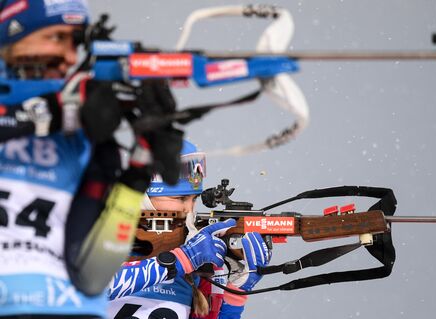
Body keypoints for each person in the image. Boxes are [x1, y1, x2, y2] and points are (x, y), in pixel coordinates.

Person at [0, 0, 183, 317]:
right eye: (57, 37)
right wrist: (50, 111)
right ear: (12, 31)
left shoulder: (79, 134)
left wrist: (137, 171)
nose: (71, 56)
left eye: (76, 41)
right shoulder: (59, 111)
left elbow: (94, 275)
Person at [107, 140, 271, 319]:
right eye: (180, 198)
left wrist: (234, 295)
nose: (189, 209)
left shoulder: (194, 269)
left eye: (194, 199)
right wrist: (181, 260)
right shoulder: (90, 239)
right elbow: (85, 288)